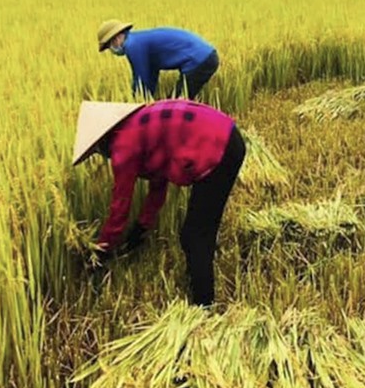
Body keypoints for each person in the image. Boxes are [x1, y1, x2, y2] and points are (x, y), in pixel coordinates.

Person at [72, 99, 246, 307]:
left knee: (194, 236)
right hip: (227, 136)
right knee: (202, 228)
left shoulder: (123, 148)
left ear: (102, 141)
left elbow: (120, 207)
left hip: (217, 148)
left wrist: (102, 250)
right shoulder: (139, 129)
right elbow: (158, 186)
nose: (101, 156)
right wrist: (142, 227)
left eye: (97, 151)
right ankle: (198, 275)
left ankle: (203, 306)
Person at [97, 20, 219, 100]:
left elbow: (140, 79)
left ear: (117, 38)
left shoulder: (133, 45)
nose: (111, 49)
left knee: (175, 105)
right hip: (205, 57)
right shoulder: (138, 40)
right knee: (175, 102)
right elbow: (151, 75)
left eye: (109, 46)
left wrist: (134, 102)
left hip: (199, 61)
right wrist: (148, 98)